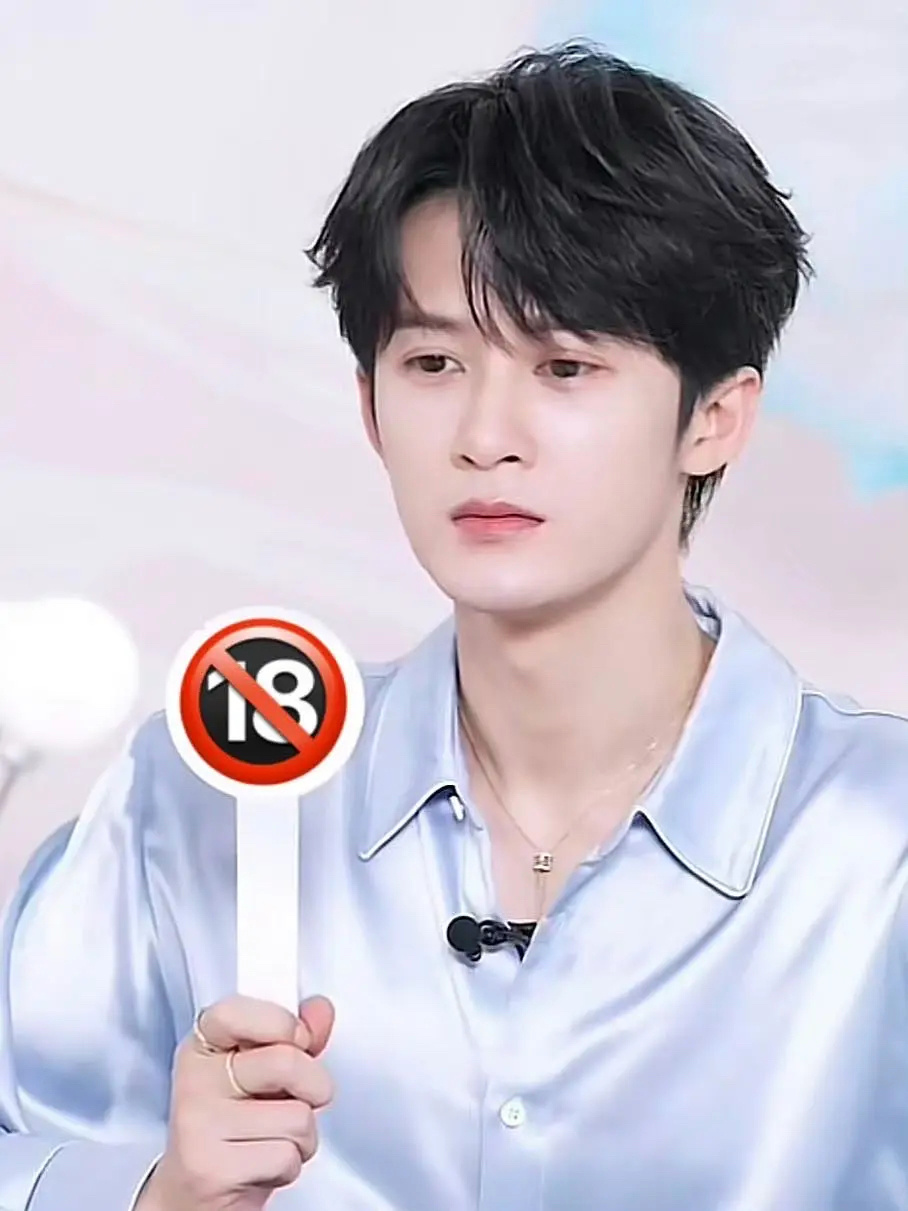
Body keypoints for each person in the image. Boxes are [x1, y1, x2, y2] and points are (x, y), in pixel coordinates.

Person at [1, 39, 907, 1211]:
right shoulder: (202, 799)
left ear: (714, 419)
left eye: (563, 366)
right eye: (433, 360)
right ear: (370, 405)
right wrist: (155, 1194)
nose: (485, 435)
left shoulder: (876, 847)